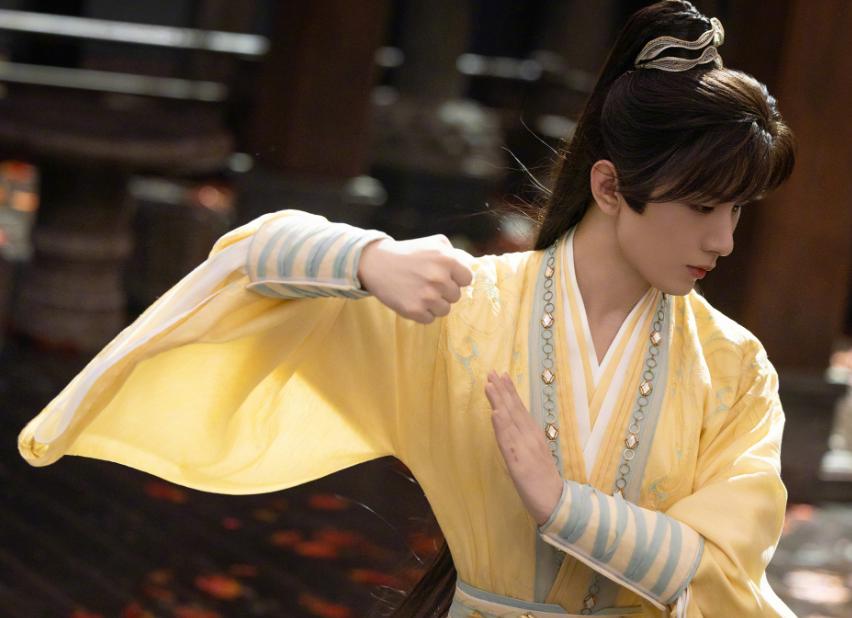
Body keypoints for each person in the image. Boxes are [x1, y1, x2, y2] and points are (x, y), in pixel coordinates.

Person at [19, 1, 796, 616]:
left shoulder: (734, 368)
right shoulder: (468, 311)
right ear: (609, 187)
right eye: (703, 207)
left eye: (738, 210)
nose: (724, 240)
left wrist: (565, 507)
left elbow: (728, 572)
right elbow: (247, 262)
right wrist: (363, 260)